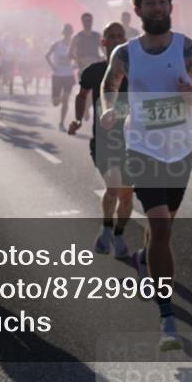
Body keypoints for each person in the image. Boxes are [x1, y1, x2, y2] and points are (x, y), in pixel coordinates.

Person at [101, 0, 192, 352]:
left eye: (162, 2)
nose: (157, 9)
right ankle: (168, 317)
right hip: (142, 147)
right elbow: (110, 86)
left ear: (170, 7)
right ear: (138, 11)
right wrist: (109, 111)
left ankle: (142, 256)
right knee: (159, 224)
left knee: (163, 229)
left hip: (180, 150)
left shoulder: (190, 49)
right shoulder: (125, 52)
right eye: (150, 4)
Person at [68, 21, 134, 259]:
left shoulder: (134, 71)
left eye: (120, 36)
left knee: (127, 196)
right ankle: (106, 227)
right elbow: (82, 95)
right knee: (114, 186)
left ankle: (117, 233)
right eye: (112, 36)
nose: (116, 40)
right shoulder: (94, 71)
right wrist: (77, 119)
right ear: (103, 42)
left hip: (131, 142)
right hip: (104, 141)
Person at [46, 24, 76, 131]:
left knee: (65, 99)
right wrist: (52, 66)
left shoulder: (74, 45)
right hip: (57, 75)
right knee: (56, 103)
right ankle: (55, 98)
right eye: (66, 32)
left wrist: (75, 65)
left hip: (69, 75)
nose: (67, 34)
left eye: (69, 32)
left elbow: (78, 58)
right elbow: (47, 56)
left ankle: (61, 122)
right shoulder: (56, 44)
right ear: (63, 33)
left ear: (71, 33)